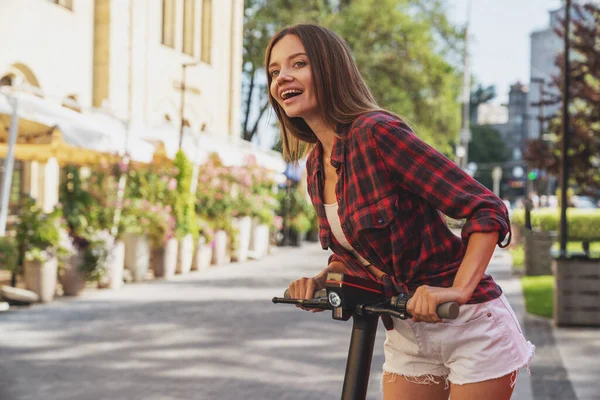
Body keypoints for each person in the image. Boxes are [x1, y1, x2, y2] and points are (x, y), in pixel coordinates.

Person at [265, 24, 534, 400]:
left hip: (469, 325)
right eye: (275, 71)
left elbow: (485, 208)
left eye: (298, 64)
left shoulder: (376, 134)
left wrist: (457, 290)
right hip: (407, 331)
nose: (283, 77)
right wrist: (321, 279)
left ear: (330, 69)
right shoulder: (314, 165)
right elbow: (358, 253)